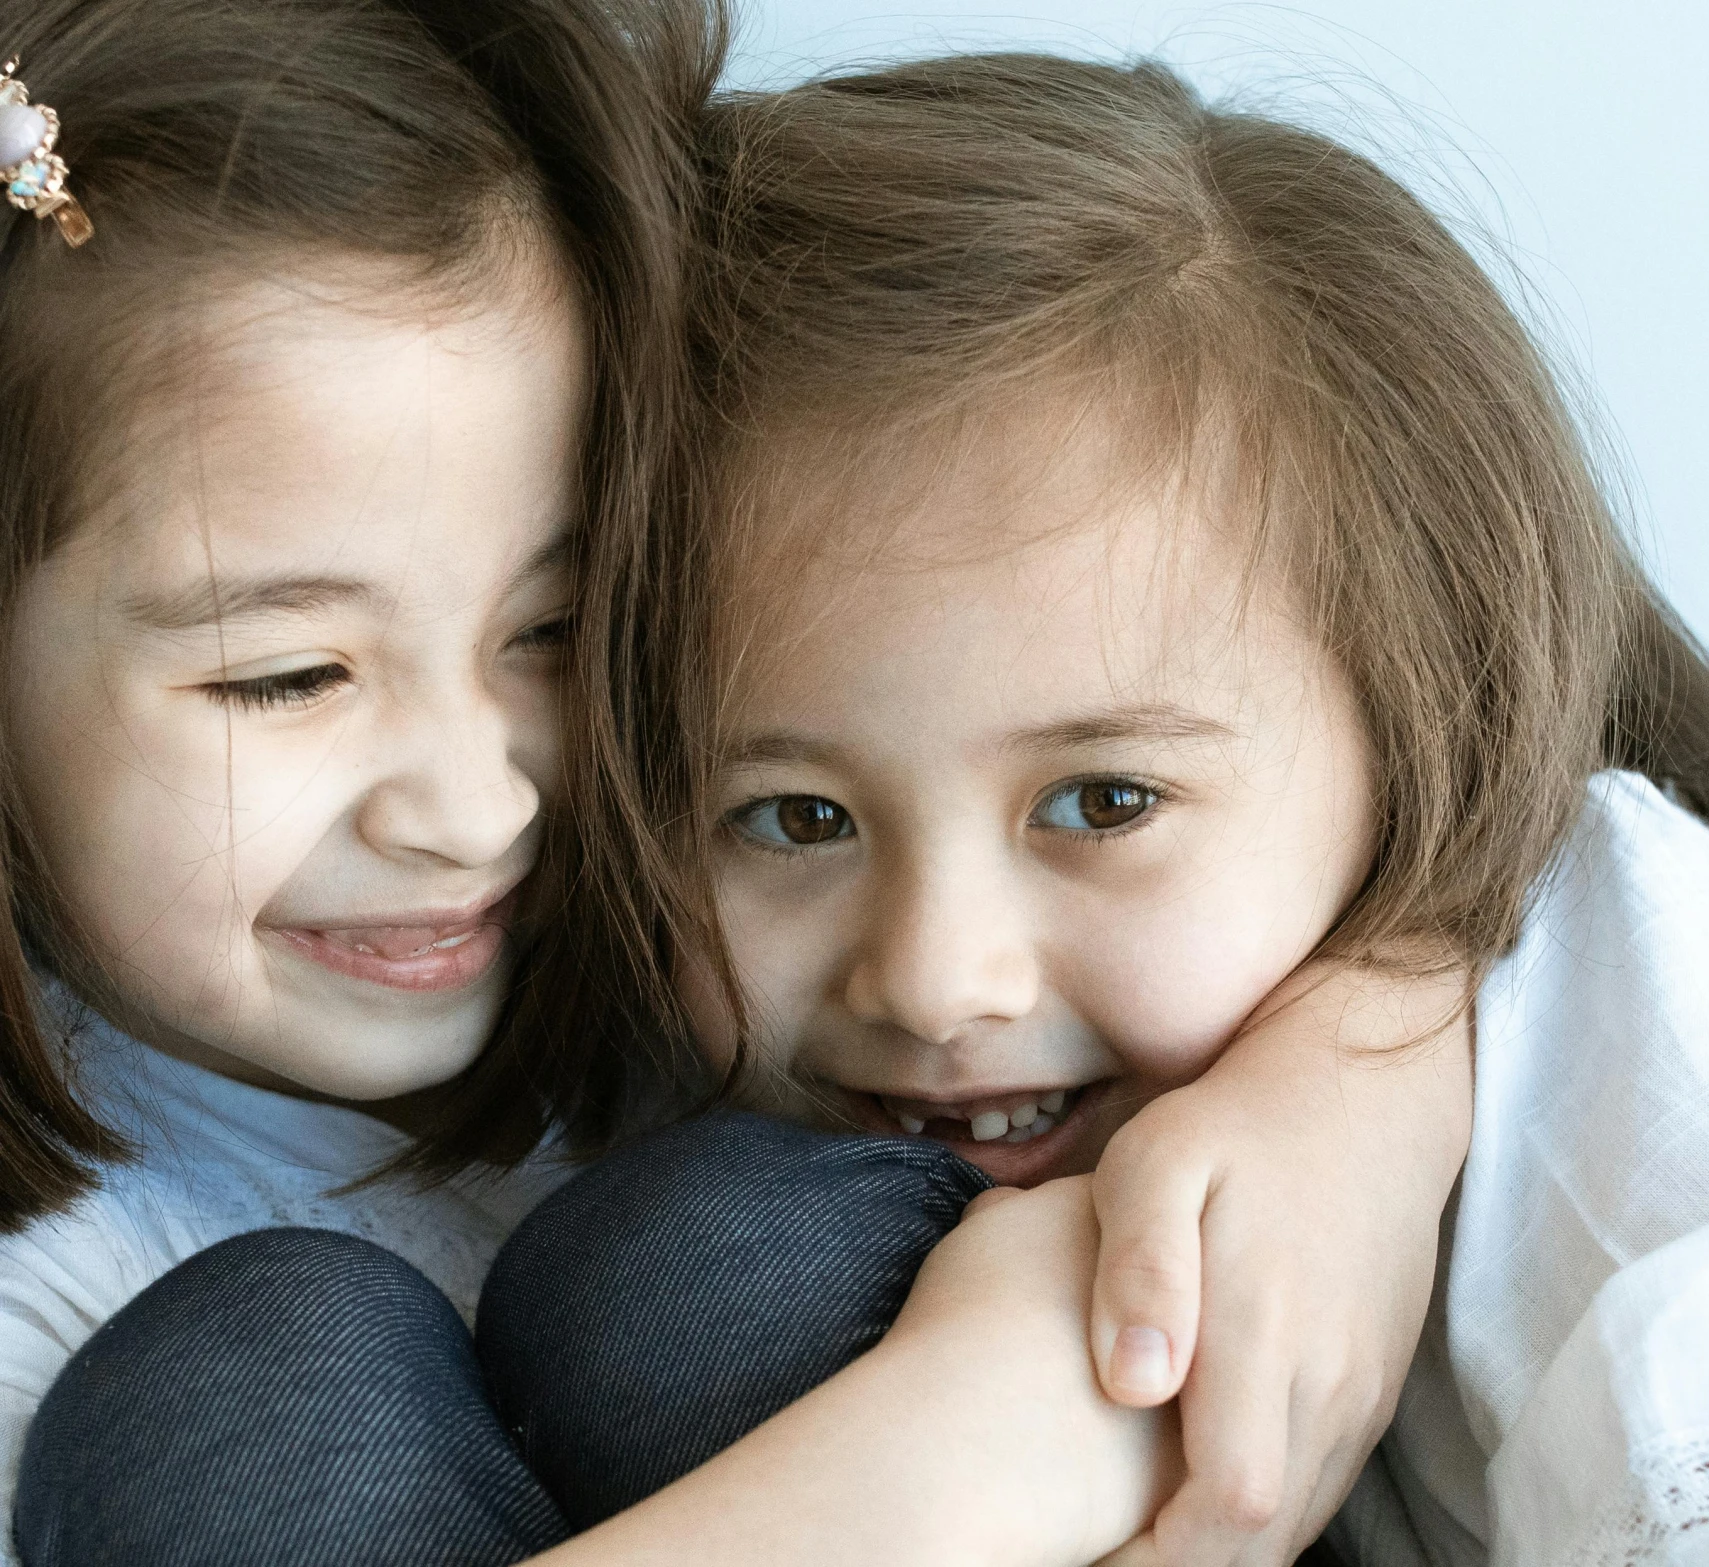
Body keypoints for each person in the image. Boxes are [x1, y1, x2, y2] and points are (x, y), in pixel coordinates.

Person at [589, 52, 1709, 1565]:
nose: (937, 977)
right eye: (792, 819)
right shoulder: (758, 1140)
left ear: (1424, 736)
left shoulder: (1641, 1011)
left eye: (1104, 800)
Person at [0, 11, 1472, 1564]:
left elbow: (1534, 786)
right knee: (234, 1389)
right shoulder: (59, 1319)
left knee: (700, 1259)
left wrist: (1367, 1068)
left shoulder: (690, 976)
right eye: (285, 676)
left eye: (555, 634)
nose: (478, 808)